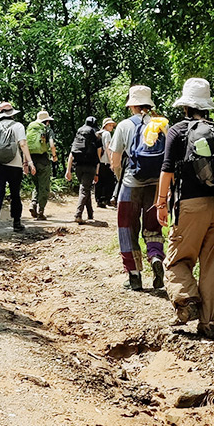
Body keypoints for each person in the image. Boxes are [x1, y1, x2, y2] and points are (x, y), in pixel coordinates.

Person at [157, 78, 214, 340]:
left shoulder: (178, 130)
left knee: (177, 260)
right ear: (207, 107)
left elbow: (167, 169)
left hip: (190, 205)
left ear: (185, 106)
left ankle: (187, 299)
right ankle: (210, 324)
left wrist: (161, 202)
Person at [110, 85, 166, 291]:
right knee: (153, 226)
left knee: (127, 227)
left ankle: (134, 275)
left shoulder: (124, 125)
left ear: (132, 104)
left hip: (131, 183)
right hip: (155, 184)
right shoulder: (161, 124)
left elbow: (115, 161)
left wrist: (119, 178)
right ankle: (155, 257)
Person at [0, 101, 35, 237]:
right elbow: (23, 144)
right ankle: (17, 222)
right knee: (15, 194)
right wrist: (29, 162)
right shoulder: (18, 126)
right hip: (15, 165)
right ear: (12, 113)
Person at [66, 116, 101, 224]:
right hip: (90, 167)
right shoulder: (97, 137)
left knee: (85, 188)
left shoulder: (78, 137)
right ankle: (78, 214)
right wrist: (97, 173)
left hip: (78, 167)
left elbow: (71, 154)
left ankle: (90, 214)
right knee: (84, 189)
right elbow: (98, 157)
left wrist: (68, 170)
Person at [27, 110, 57, 220]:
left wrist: (26, 163)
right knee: (44, 186)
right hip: (43, 160)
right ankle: (40, 211)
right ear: (47, 121)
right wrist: (54, 156)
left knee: (36, 185)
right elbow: (52, 144)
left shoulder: (31, 129)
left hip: (31, 160)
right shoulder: (47, 129)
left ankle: (33, 204)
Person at [96, 117, 118, 208]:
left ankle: (99, 200)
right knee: (109, 181)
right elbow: (108, 147)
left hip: (98, 161)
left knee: (99, 180)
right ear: (105, 125)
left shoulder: (97, 133)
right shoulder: (107, 134)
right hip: (105, 161)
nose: (112, 127)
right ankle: (106, 199)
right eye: (110, 125)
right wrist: (112, 161)